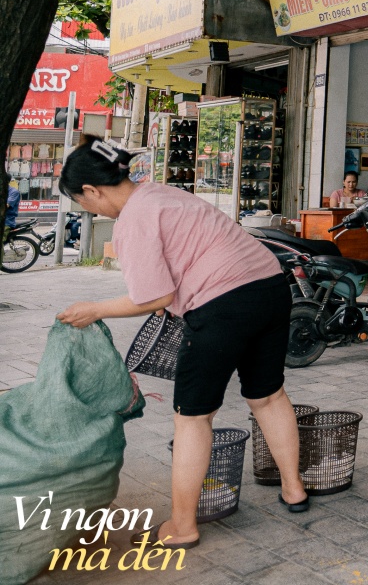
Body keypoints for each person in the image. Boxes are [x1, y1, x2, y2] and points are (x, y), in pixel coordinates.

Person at [55, 137, 309, 549]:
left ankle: (183, 525)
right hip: (269, 287)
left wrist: (95, 309)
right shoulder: (162, 192)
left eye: (83, 203)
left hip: (222, 306)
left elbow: (152, 296)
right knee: (268, 396)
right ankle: (294, 489)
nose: (89, 209)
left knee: (193, 418)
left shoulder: (132, 220)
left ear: (91, 191)